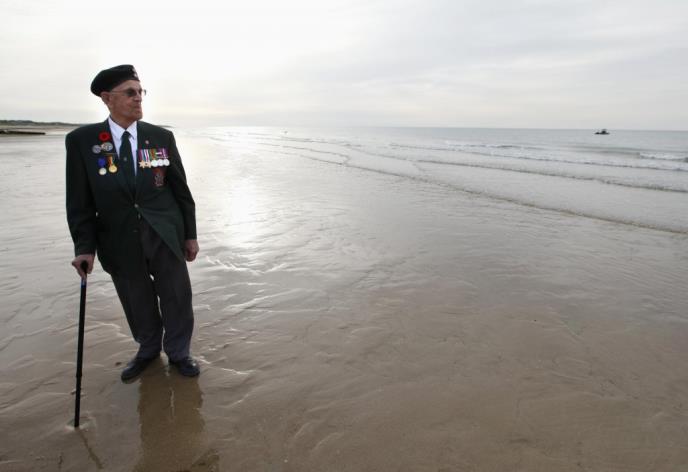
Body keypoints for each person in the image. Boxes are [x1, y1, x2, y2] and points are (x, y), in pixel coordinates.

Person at [66, 64, 200, 381]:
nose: (138, 98)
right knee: (136, 298)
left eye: (141, 92)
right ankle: (148, 349)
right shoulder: (83, 141)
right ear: (107, 98)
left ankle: (179, 352)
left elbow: (181, 190)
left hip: (164, 233)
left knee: (176, 295)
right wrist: (84, 248)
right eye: (130, 92)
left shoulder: (160, 137)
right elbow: (79, 202)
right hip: (117, 238)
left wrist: (190, 235)